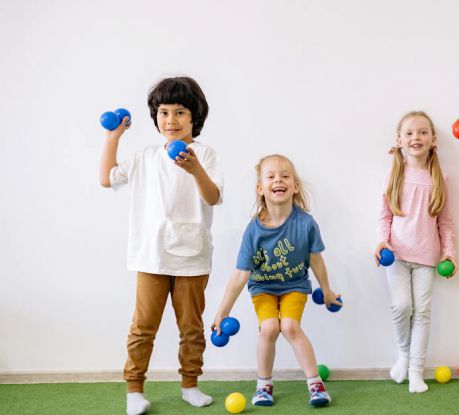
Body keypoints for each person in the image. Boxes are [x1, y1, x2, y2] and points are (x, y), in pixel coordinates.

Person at [99, 76, 222, 415]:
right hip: (151, 257)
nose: (171, 120)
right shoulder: (144, 157)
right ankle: (134, 390)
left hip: (193, 257)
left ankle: (190, 385)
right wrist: (114, 136)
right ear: (155, 117)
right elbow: (106, 178)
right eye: (164, 112)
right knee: (143, 327)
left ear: (194, 116)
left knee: (192, 328)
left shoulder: (205, 155)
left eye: (180, 112)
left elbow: (213, 197)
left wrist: (195, 169)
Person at [212, 154, 339, 407]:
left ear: (295, 186)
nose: (278, 180)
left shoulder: (306, 224)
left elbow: (316, 261)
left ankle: (315, 385)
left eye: (285, 175)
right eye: (271, 176)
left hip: (294, 286)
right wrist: (221, 312)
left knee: (290, 327)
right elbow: (240, 274)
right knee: (269, 328)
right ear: (261, 188)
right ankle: (263, 386)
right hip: (263, 288)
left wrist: (327, 291)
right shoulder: (254, 229)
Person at [376, 111, 456, 393]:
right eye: (409, 133)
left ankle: (415, 371)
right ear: (399, 140)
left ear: (433, 140)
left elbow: (445, 221)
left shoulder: (439, 177)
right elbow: (384, 216)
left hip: (426, 257)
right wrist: (382, 242)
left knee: (422, 312)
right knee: (401, 307)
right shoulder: (393, 173)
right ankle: (404, 355)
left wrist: (449, 253)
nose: (416, 138)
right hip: (396, 255)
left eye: (422, 132)